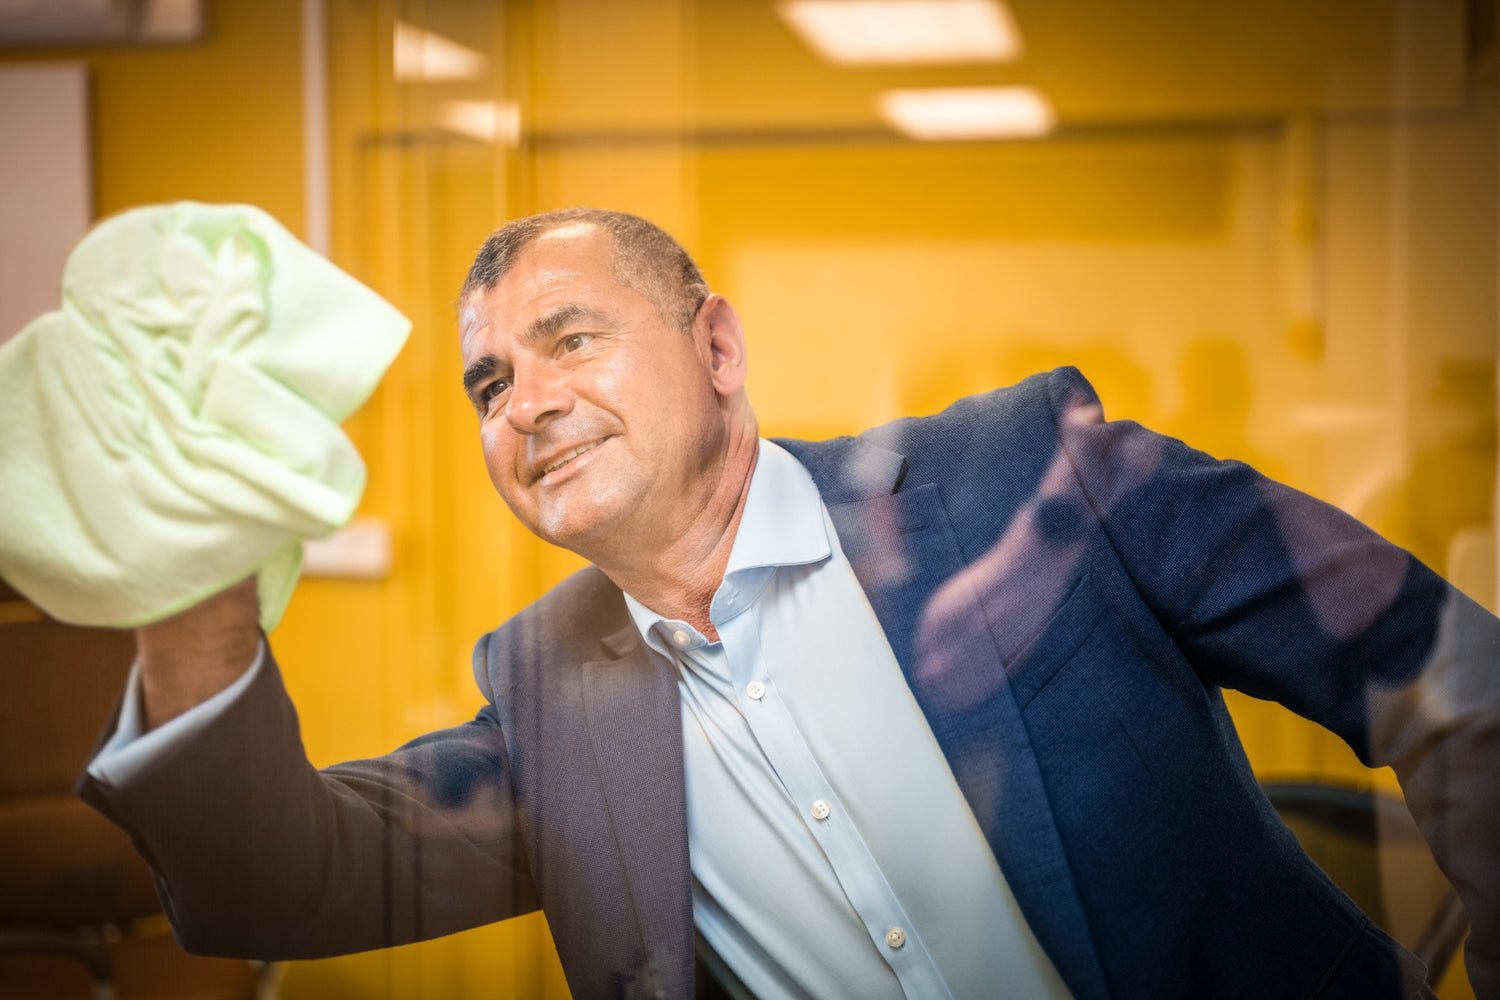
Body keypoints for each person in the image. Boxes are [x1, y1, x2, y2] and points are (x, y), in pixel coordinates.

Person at [80, 208, 1497, 1000]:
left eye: (572, 339)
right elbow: (278, 880)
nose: (529, 403)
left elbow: (1438, 671)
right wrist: (186, 578)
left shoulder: (1032, 478)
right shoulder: (549, 692)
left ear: (717, 349)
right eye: (490, 383)